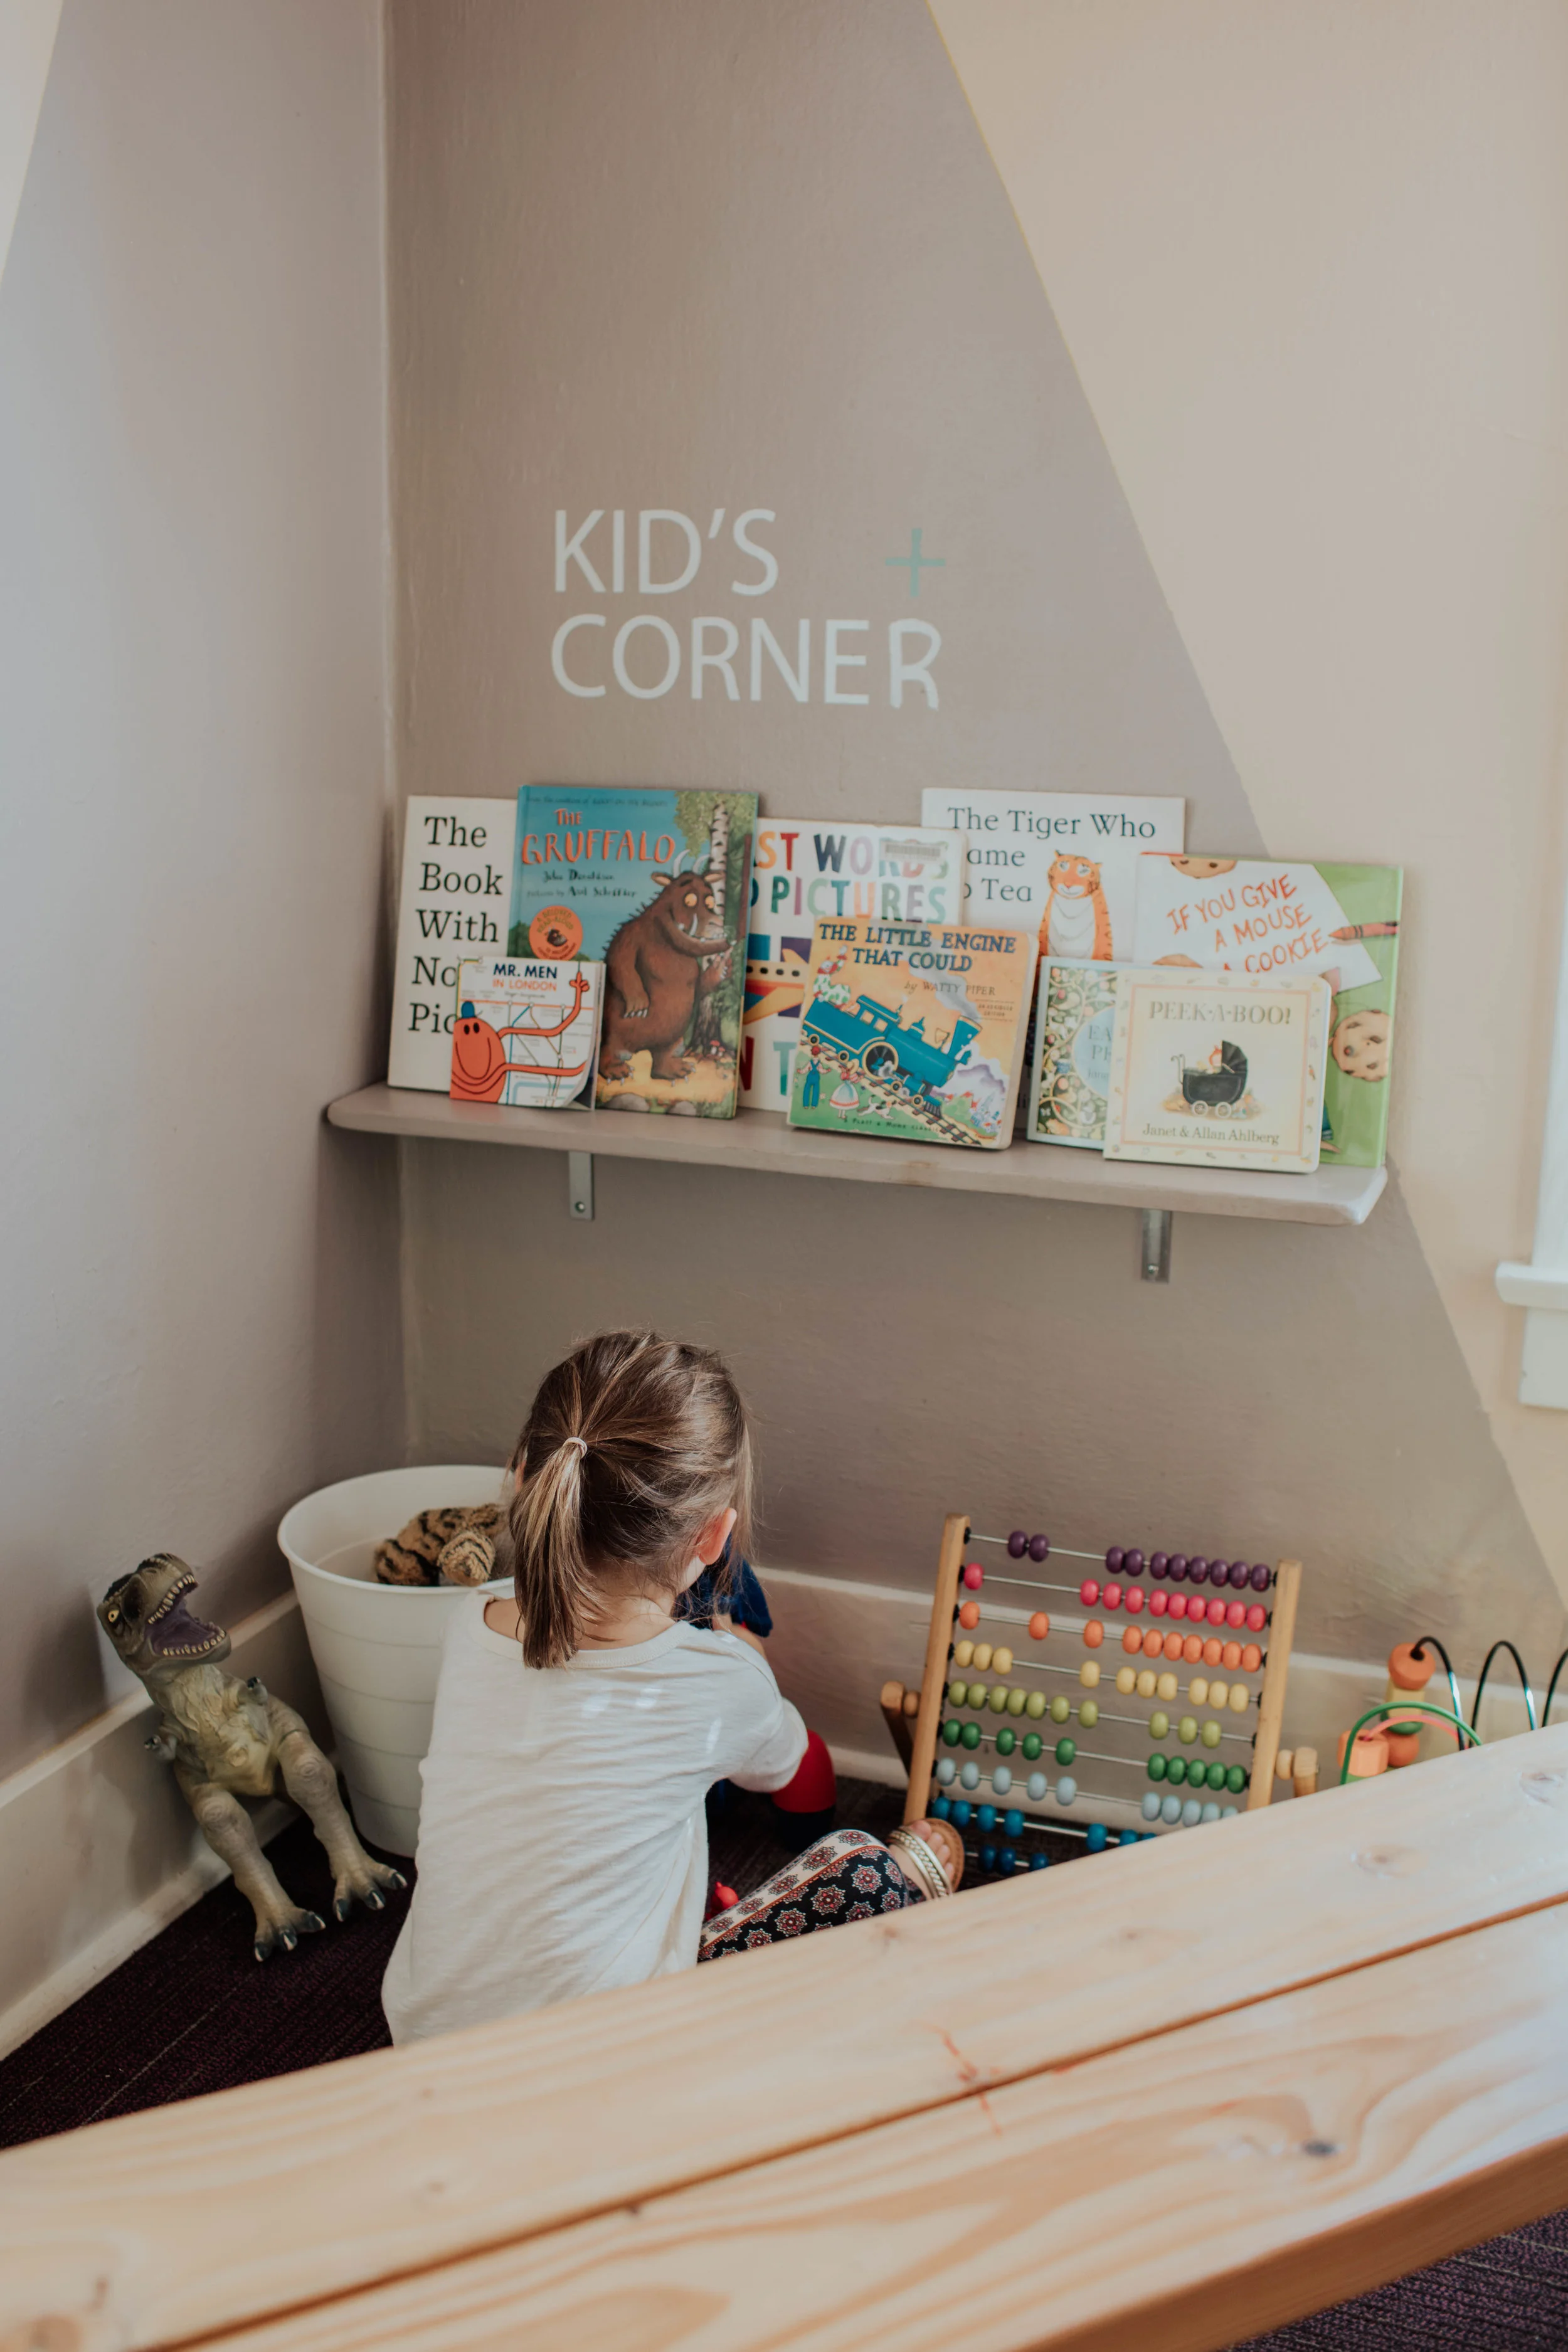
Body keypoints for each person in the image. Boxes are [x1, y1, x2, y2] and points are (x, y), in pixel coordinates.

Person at [381, 1330, 960, 2042]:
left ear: (523, 1476)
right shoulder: (722, 1679)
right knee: (867, 1871)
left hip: (426, 2039)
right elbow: (783, 1767)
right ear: (714, 1538)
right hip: (613, 2057)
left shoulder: (469, 1623)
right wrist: (741, 1654)